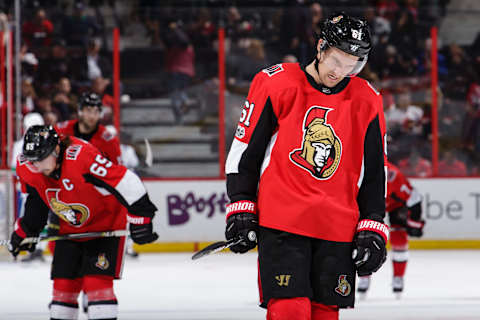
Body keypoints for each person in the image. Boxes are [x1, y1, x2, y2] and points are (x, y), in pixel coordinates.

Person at [224, 13, 388, 320]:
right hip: (283, 220)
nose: (342, 71)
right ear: (321, 48)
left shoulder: (368, 99)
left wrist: (373, 223)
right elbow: (246, 148)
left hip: (338, 225)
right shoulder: (275, 82)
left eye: (353, 63)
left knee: (325, 314)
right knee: (289, 310)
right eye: (337, 60)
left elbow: (374, 171)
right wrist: (241, 203)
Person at [7, 125, 158, 320]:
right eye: (32, 160)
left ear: (56, 149)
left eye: (41, 158)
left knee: (97, 287)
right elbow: (36, 201)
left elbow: (126, 181)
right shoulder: (28, 166)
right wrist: (26, 231)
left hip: (106, 224)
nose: (36, 166)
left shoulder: (81, 157)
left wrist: (141, 220)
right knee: (62, 291)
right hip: (69, 227)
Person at [357, 161, 425, 298]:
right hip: (369, 204)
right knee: (363, 238)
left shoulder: (395, 177)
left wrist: (414, 222)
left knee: (399, 239)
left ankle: (398, 278)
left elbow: (414, 198)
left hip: (395, 206)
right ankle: (364, 275)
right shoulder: (362, 172)